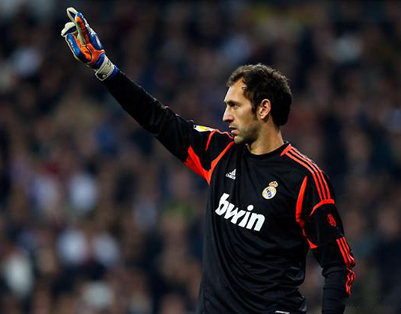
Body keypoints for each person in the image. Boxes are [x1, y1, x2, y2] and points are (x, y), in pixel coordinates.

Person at [61, 7, 355, 314]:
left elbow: (339, 266)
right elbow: (156, 118)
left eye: (234, 106)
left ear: (264, 108)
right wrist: (104, 68)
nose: (225, 115)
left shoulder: (305, 178)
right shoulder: (219, 151)